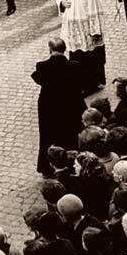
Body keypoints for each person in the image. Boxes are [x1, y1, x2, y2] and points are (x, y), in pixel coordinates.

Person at [32, 37, 86, 176]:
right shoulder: (75, 66)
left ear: (50, 50)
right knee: (71, 133)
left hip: (49, 107)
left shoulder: (42, 66)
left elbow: (38, 78)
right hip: (71, 104)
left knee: (48, 136)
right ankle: (73, 162)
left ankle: (48, 166)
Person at [58, 0, 107, 96]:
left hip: (86, 31)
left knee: (90, 59)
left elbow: (95, 10)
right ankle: (80, 83)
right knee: (76, 59)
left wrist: (95, 31)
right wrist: (62, 3)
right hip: (74, 32)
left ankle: (91, 84)